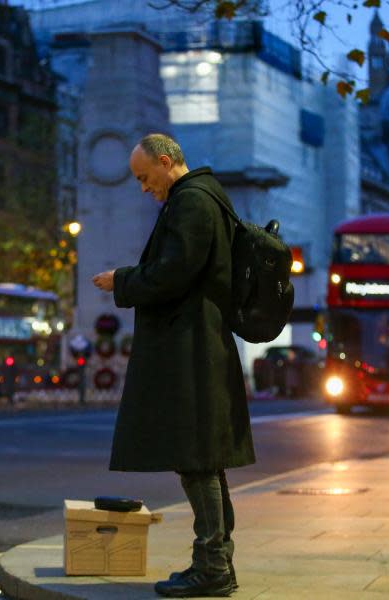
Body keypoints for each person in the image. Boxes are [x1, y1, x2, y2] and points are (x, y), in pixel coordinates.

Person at [92, 133, 252, 598]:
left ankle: (213, 567)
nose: (144, 188)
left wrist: (121, 280)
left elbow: (173, 271)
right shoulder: (205, 198)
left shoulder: (192, 202)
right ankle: (216, 561)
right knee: (205, 458)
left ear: (166, 162)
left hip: (191, 348)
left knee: (195, 459)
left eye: (145, 177)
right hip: (199, 343)